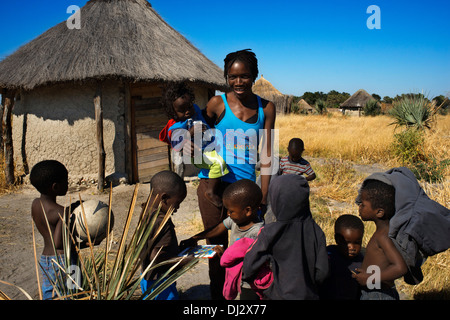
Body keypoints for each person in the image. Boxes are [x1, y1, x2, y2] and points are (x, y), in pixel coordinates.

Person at [198, 49, 276, 299]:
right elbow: (199, 131)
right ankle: (217, 297)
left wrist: (263, 193)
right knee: (216, 248)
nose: (238, 82)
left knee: (247, 248)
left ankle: (244, 295)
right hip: (214, 187)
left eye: (244, 76)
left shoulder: (266, 108)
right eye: (232, 77)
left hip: (244, 192)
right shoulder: (217, 103)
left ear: (254, 76)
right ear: (226, 77)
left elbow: (267, 153)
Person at [242, 174, 329, 300]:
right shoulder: (316, 231)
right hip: (309, 294)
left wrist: (264, 285)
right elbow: (322, 272)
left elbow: (249, 265)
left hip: (277, 295)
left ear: (276, 199)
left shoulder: (270, 232)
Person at [180, 179, 264, 299]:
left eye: (231, 211)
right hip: (238, 278)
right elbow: (220, 227)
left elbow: (249, 263)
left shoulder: (256, 234)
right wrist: (196, 238)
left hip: (250, 284)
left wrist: (225, 255)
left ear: (247, 211)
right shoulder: (238, 220)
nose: (228, 214)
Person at [159, 82, 228, 208]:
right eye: (182, 110)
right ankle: (210, 192)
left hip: (209, 149)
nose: (187, 112)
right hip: (197, 153)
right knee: (218, 163)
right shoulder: (177, 125)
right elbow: (176, 143)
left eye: (189, 106)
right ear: (173, 113)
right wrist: (190, 132)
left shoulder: (195, 110)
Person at [353, 179, 408, 300]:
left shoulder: (383, 236)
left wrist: (369, 278)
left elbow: (400, 268)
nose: (359, 207)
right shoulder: (381, 232)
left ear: (379, 212)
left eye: (363, 204)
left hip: (378, 294)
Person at [139, 170, 190, 300]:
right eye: (177, 203)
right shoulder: (162, 222)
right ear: (164, 198)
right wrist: (183, 261)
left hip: (146, 277)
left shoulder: (147, 211)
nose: (177, 208)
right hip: (160, 282)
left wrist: (178, 250)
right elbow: (156, 259)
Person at [30, 160, 72, 300]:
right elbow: (59, 243)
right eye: (65, 181)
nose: (68, 184)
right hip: (61, 261)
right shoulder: (62, 212)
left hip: (45, 259)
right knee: (69, 294)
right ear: (55, 187)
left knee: (50, 294)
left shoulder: (35, 204)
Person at [320, 214, 365, 300]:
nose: (352, 248)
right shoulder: (329, 255)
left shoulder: (363, 260)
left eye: (357, 243)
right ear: (337, 240)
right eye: (347, 243)